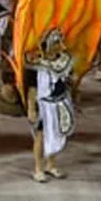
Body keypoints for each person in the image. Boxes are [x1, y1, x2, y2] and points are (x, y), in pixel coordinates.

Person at [25, 27, 76, 181]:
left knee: (57, 134)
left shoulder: (64, 61)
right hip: (44, 106)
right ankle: (38, 169)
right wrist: (31, 109)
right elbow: (32, 89)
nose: (60, 45)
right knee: (41, 136)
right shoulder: (36, 64)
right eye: (56, 43)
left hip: (60, 103)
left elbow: (69, 81)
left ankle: (51, 165)